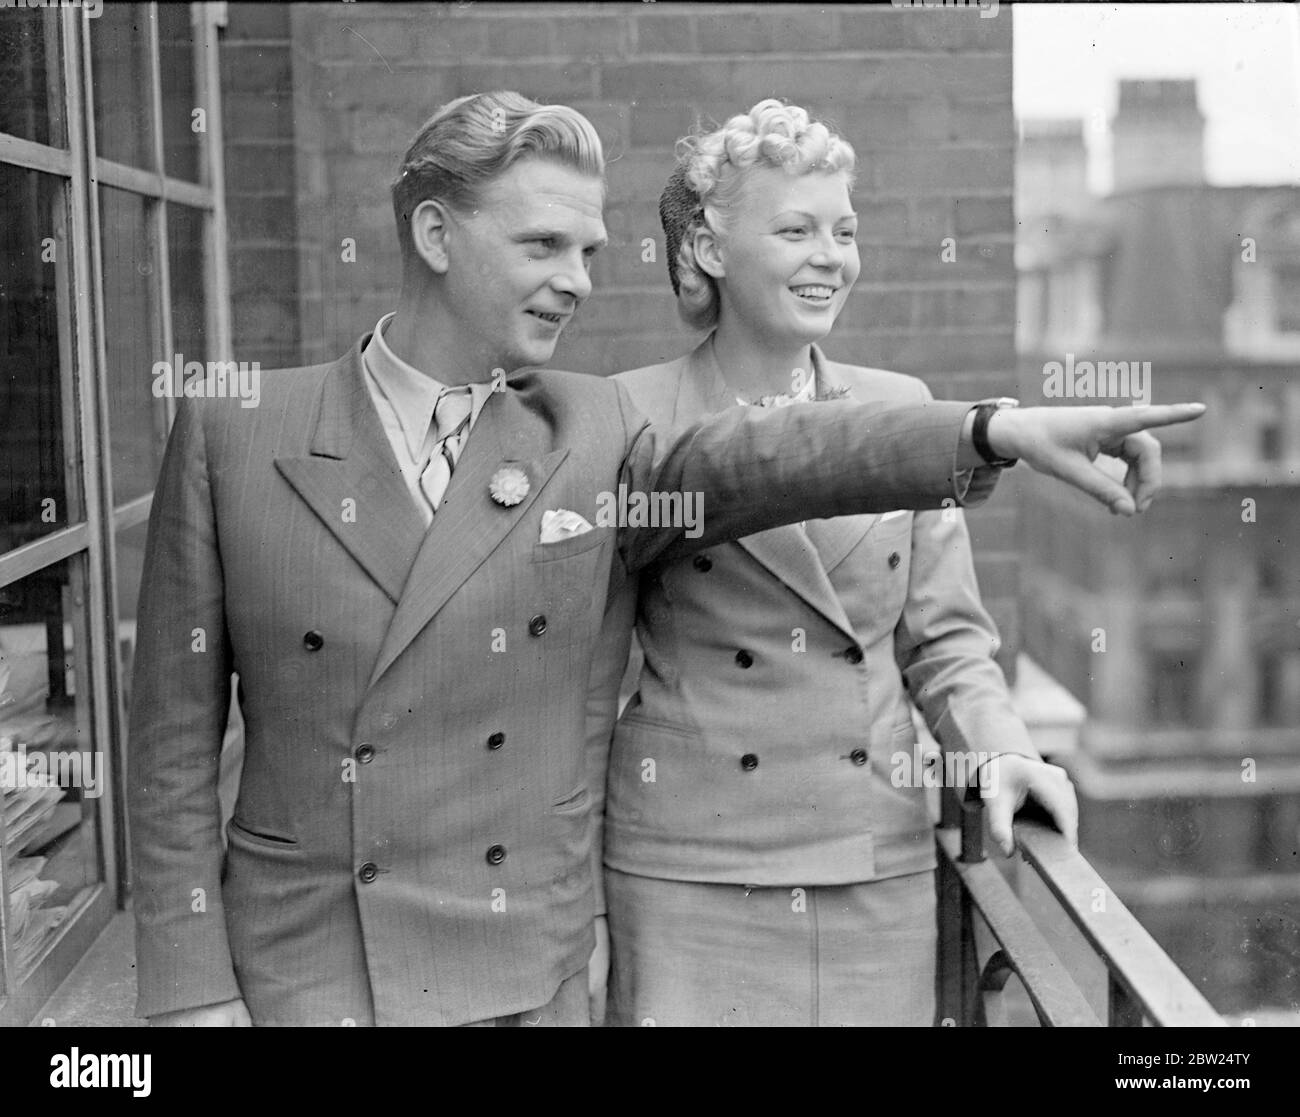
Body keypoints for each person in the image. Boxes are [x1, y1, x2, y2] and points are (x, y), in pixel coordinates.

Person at [127, 91, 1201, 1027]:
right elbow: (172, 756)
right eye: (544, 246)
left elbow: (773, 460)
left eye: (589, 252)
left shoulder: (581, 429)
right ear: (436, 235)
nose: (580, 282)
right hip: (316, 964)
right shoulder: (237, 431)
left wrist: (987, 433)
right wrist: (187, 989)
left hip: (534, 965)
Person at [596, 100, 1089, 1026]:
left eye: (846, 231)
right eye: (795, 230)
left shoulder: (906, 411)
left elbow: (947, 644)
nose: (832, 256)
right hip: (693, 871)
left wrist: (1002, 752)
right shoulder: (630, 413)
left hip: (877, 863)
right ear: (708, 248)